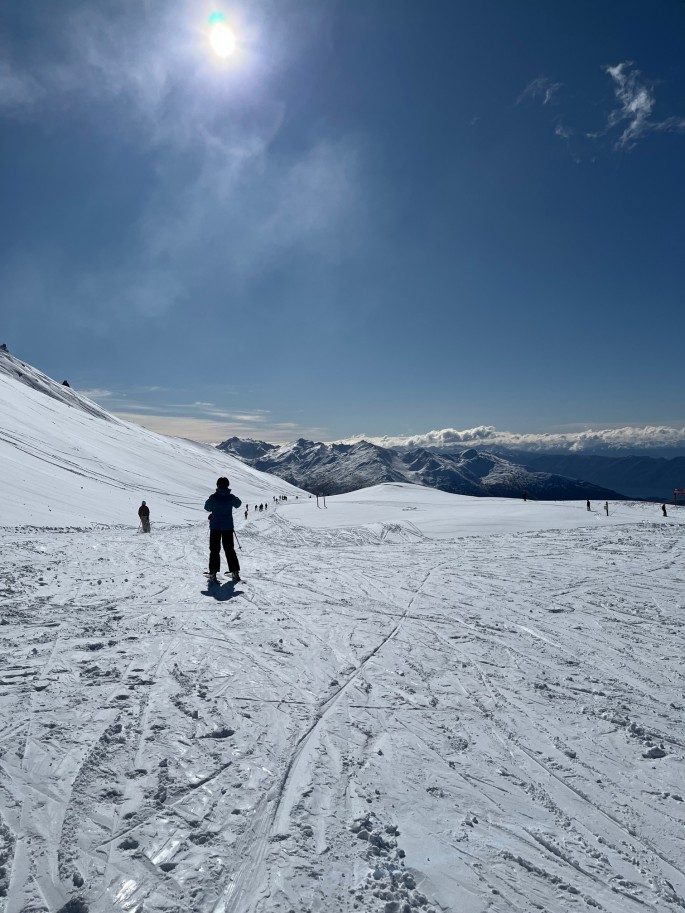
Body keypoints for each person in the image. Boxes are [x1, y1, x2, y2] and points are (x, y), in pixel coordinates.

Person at [204, 477, 241, 584]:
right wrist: (232, 498)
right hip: (228, 527)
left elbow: (207, 507)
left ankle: (213, 573)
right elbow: (238, 504)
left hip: (215, 527)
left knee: (214, 550)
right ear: (227, 485)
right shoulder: (231, 497)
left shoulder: (214, 497)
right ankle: (235, 572)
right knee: (229, 550)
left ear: (217, 485)